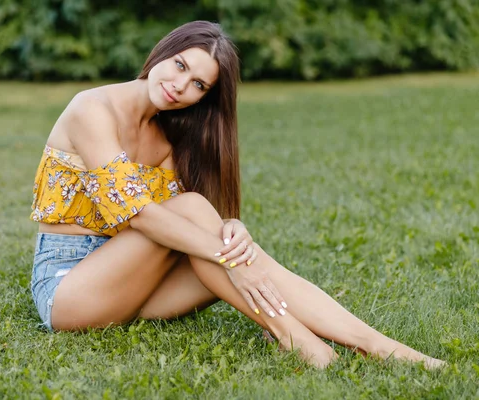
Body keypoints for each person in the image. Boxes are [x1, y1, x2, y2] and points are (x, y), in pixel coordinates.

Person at [29, 20, 444, 369]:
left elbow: (183, 225)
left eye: (197, 84)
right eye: (178, 65)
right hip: (68, 290)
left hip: (129, 286)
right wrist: (226, 253)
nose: (179, 86)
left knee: (234, 248)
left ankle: (376, 344)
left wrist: (229, 229)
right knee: (213, 234)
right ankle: (298, 340)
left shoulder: (169, 137)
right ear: (160, 53)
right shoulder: (91, 108)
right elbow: (140, 216)